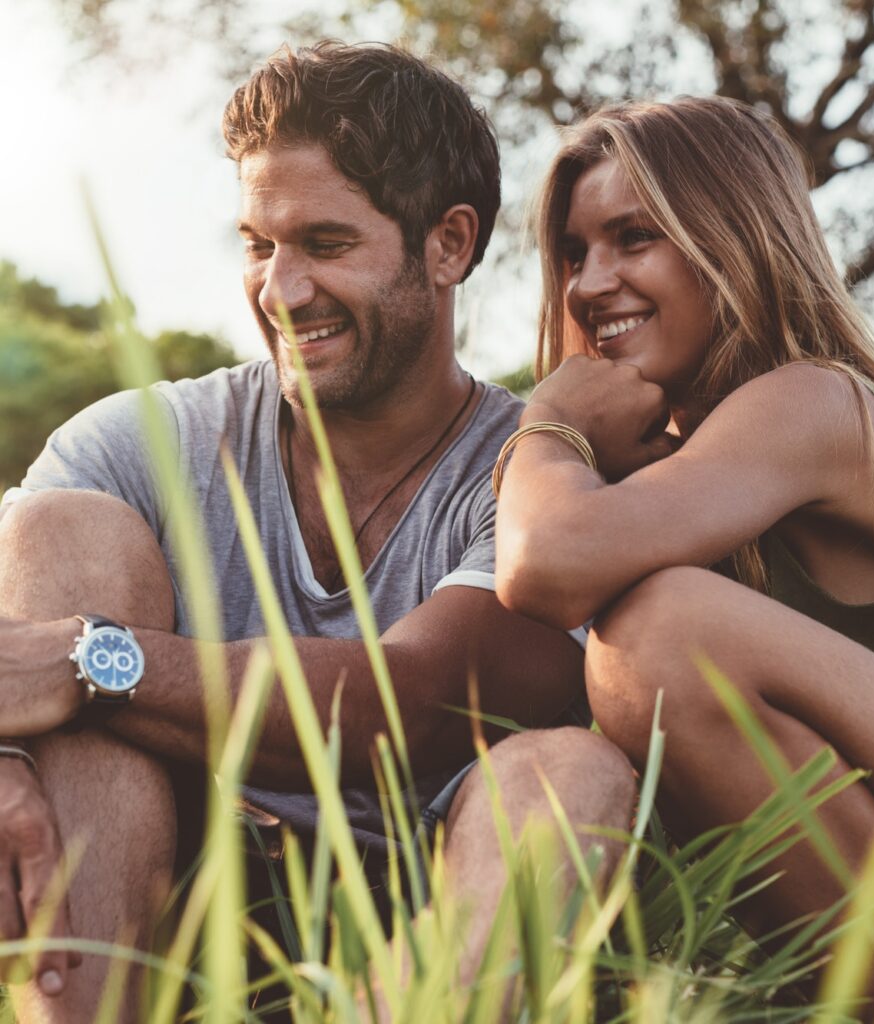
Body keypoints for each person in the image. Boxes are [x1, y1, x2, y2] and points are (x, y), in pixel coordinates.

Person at [0, 43, 635, 1022]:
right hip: (178, 896)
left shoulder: (539, 475)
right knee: (57, 531)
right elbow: (14, 662)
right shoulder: (141, 443)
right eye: (259, 245)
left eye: (326, 245)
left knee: (571, 776)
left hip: (430, 909)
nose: (280, 291)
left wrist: (94, 660)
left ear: (449, 245)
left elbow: (408, 707)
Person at [493, 97, 874, 1019]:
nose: (588, 285)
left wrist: (548, 423)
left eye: (634, 237)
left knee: (658, 637)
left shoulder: (814, 404)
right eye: (574, 254)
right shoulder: (686, 476)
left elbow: (544, 560)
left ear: (732, 240)